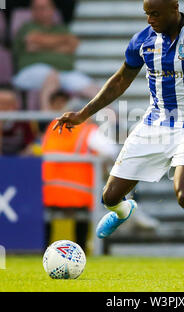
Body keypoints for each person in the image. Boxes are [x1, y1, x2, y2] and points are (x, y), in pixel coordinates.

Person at [53, 0, 184, 279]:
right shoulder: (143, 40)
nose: (150, 19)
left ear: (175, 8)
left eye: (155, 13)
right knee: (109, 198)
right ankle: (125, 211)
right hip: (154, 123)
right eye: (146, 13)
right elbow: (120, 80)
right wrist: (83, 114)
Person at [42, 90, 119, 252]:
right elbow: (110, 151)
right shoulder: (86, 129)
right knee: (87, 217)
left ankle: (44, 251)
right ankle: (81, 251)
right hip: (78, 194)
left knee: (47, 223)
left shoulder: (52, 127)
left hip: (49, 193)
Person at [12, 0, 98, 110]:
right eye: (37, 8)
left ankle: (113, 123)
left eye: (44, 7)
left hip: (65, 73)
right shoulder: (26, 27)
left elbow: (73, 45)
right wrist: (63, 41)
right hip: (31, 72)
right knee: (51, 76)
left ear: (52, 9)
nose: (41, 11)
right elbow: (32, 40)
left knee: (96, 90)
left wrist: (42, 44)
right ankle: (46, 119)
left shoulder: (62, 28)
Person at [0, 84, 37, 155]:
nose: (4, 107)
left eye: (8, 104)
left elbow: (30, 143)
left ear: (16, 105)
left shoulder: (23, 120)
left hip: (19, 158)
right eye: (1, 103)